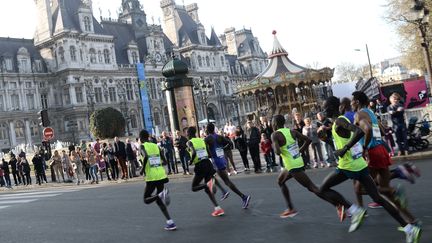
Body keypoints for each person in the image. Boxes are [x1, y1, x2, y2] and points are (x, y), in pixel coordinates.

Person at [319, 96, 421, 241]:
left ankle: (355, 210)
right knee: (378, 198)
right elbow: (342, 145)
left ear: (332, 107)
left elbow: (359, 133)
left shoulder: (341, 120)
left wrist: (350, 148)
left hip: (349, 166)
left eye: (324, 108)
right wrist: (327, 140)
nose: (323, 111)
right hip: (359, 164)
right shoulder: (341, 121)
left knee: (323, 188)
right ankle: (410, 228)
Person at [351, 91, 418, 224]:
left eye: (353, 100)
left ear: (357, 102)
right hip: (381, 150)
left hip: (372, 152)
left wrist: (364, 148)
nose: (352, 103)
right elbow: (381, 131)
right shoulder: (371, 112)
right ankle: (412, 220)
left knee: (359, 188)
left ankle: (394, 189)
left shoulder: (359, 114)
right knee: (385, 191)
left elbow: (368, 129)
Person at [271, 114, 339, 218]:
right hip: (297, 162)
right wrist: (300, 150)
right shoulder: (291, 131)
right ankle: (290, 208)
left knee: (312, 188)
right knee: (280, 181)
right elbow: (308, 140)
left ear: (274, 124)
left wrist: (275, 145)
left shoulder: (275, 135)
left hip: (292, 166)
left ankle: (337, 205)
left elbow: (277, 152)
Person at [205, 123, 251, 209]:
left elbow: (204, 148)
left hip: (216, 161)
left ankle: (243, 197)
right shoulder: (219, 136)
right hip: (221, 158)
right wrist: (221, 148)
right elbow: (230, 143)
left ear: (207, 130)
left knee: (227, 181)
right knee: (211, 175)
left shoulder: (208, 138)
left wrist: (210, 154)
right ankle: (223, 191)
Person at [139, 129, 176, 231]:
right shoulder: (155, 145)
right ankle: (170, 222)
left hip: (152, 176)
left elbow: (145, 156)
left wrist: (142, 169)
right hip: (161, 174)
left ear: (141, 138)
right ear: (148, 137)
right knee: (159, 201)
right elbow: (164, 160)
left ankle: (160, 194)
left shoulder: (142, 146)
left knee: (146, 199)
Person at [186, 126, 226, 216]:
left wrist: (191, 161)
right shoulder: (201, 140)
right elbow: (208, 153)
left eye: (187, 133)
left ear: (189, 134)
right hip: (207, 163)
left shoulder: (189, 142)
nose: (186, 134)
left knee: (194, 187)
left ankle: (208, 184)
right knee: (208, 190)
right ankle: (218, 208)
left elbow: (194, 152)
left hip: (200, 166)